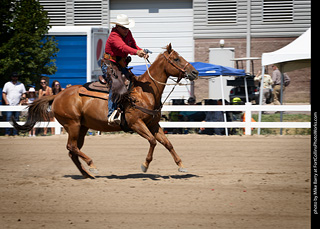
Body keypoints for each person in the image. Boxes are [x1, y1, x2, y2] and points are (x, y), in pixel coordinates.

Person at [101, 14, 149, 125]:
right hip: (109, 64)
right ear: (117, 27)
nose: (126, 30)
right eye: (123, 27)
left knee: (133, 81)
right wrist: (137, 52)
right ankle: (111, 113)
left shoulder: (128, 34)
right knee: (117, 84)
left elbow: (133, 45)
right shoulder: (114, 36)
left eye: (127, 27)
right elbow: (123, 47)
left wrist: (141, 50)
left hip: (120, 64)